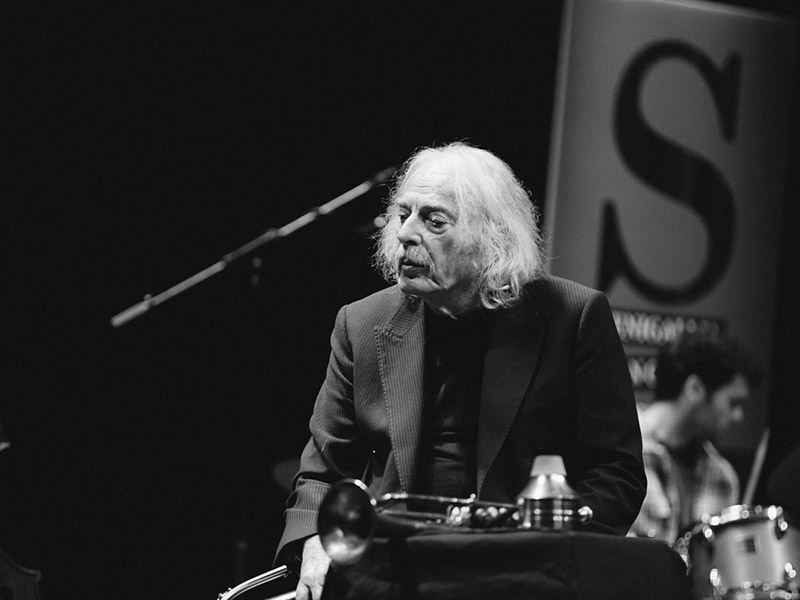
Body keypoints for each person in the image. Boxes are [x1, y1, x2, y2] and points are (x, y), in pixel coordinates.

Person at [276, 142, 646, 600]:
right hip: (391, 570)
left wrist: (549, 548)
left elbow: (616, 475)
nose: (405, 234)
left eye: (434, 221)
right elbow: (321, 472)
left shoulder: (572, 317)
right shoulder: (362, 322)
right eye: (403, 215)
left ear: (493, 239)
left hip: (520, 575)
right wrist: (315, 537)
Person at [629, 330, 760, 543]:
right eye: (733, 403)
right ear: (695, 388)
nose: (738, 416)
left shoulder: (722, 477)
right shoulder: (620, 451)